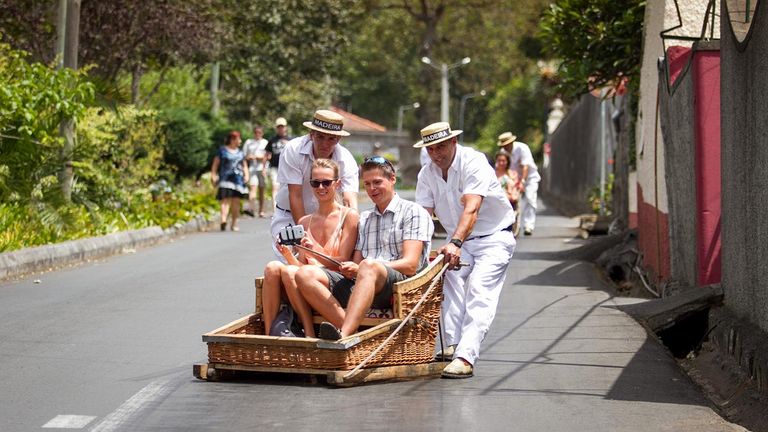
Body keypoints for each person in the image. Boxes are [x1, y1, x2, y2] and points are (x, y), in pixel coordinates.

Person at [415, 122, 516, 378]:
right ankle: (451, 345)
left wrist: (455, 243)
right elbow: (423, 218)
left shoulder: (474, 161)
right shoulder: (426, 174)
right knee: (446, 275)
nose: (437, 154)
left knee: (480, 291)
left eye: (441, 147)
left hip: (494, 237)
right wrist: (421, 252)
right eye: (431, 149)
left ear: (453, 143)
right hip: (459, 241)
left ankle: (465, 356)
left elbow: (472, 209)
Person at [294, 156, 434, 340]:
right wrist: (352, 268)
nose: (372, 189)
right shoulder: (366, 218)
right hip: (362, 282)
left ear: (392, 179)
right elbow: (356, 263)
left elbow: (410, 265)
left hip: (398, 286)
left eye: (377, 182)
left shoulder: (413, 211)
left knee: (369, 265)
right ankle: (349, 329)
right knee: (304, 274)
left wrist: (364, 267)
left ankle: (344, 335)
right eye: (367, 184)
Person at [261, 159, 359, 338]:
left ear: (337, 184)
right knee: (273, 267)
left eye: (326, 182)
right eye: (315, 183)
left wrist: (314, 249)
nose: (321, 187)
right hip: (306, 276)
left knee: (294, 273)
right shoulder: (305, 221)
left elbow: (343, 261)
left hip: (336, 278)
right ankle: (269, 335)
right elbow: (301, 264)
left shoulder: (349, 216)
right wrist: (287, 253)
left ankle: (309, 332)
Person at [269, 109, 359, 259]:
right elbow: (295, 196)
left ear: (338, 139)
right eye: (320, 137)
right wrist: (305, 235)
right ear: (311, 134)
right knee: (292, 266)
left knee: (329, 266)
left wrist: (351, 232)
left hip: (327, 220)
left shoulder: (346, 159)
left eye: (331, 139)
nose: (324, 144)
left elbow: (350, 201)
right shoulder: (293, 149)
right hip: (289, 216)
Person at [499, 132, 541, 236]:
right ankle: (512, 224)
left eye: (507, 145)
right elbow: (504, 167)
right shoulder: (503, 152)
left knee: (530, 199)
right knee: (511, 200)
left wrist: (522, 182)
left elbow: (525, 166)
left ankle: (528, 225)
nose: (505, 147)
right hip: (513, 178)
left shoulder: (522, 148)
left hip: (529, 178)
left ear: (511, 142)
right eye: (503, 145)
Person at [210, 131, 249, 231]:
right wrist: (213, 175)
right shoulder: (222, 151)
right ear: (232, 140)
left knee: (236, 202)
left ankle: (234, 223)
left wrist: (247, 175)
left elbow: (244, 165)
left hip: (238, 181)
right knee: (224, 200)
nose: (240, 141)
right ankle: (223, 220)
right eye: (238, 139)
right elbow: (215, 164)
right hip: (225, 179)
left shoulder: (240, 153)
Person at [242, 125, 269, 218]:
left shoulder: (265, 142)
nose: (257, 134)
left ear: (262, 133)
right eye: (256, 132)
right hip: (252, 168)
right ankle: (251, 208)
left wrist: (258, 157)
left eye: (259, 132)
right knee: (253, 187)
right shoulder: (249, 142)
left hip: (262, 168)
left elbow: (269, 156)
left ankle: (261, 210)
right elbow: (244, 156)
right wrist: (249, 158)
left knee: (262, 189)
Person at [265, 117, 291, 210]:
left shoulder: (291, 140)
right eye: (279, 127)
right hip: (274, 167)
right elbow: (267, 154)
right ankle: (275, 209)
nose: (281, 128)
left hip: (287, 168)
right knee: (274, 187)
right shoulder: (272, 140)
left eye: (282, 126)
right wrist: (264, 168)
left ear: (286, 127)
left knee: (286, 188)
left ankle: (285, 207)